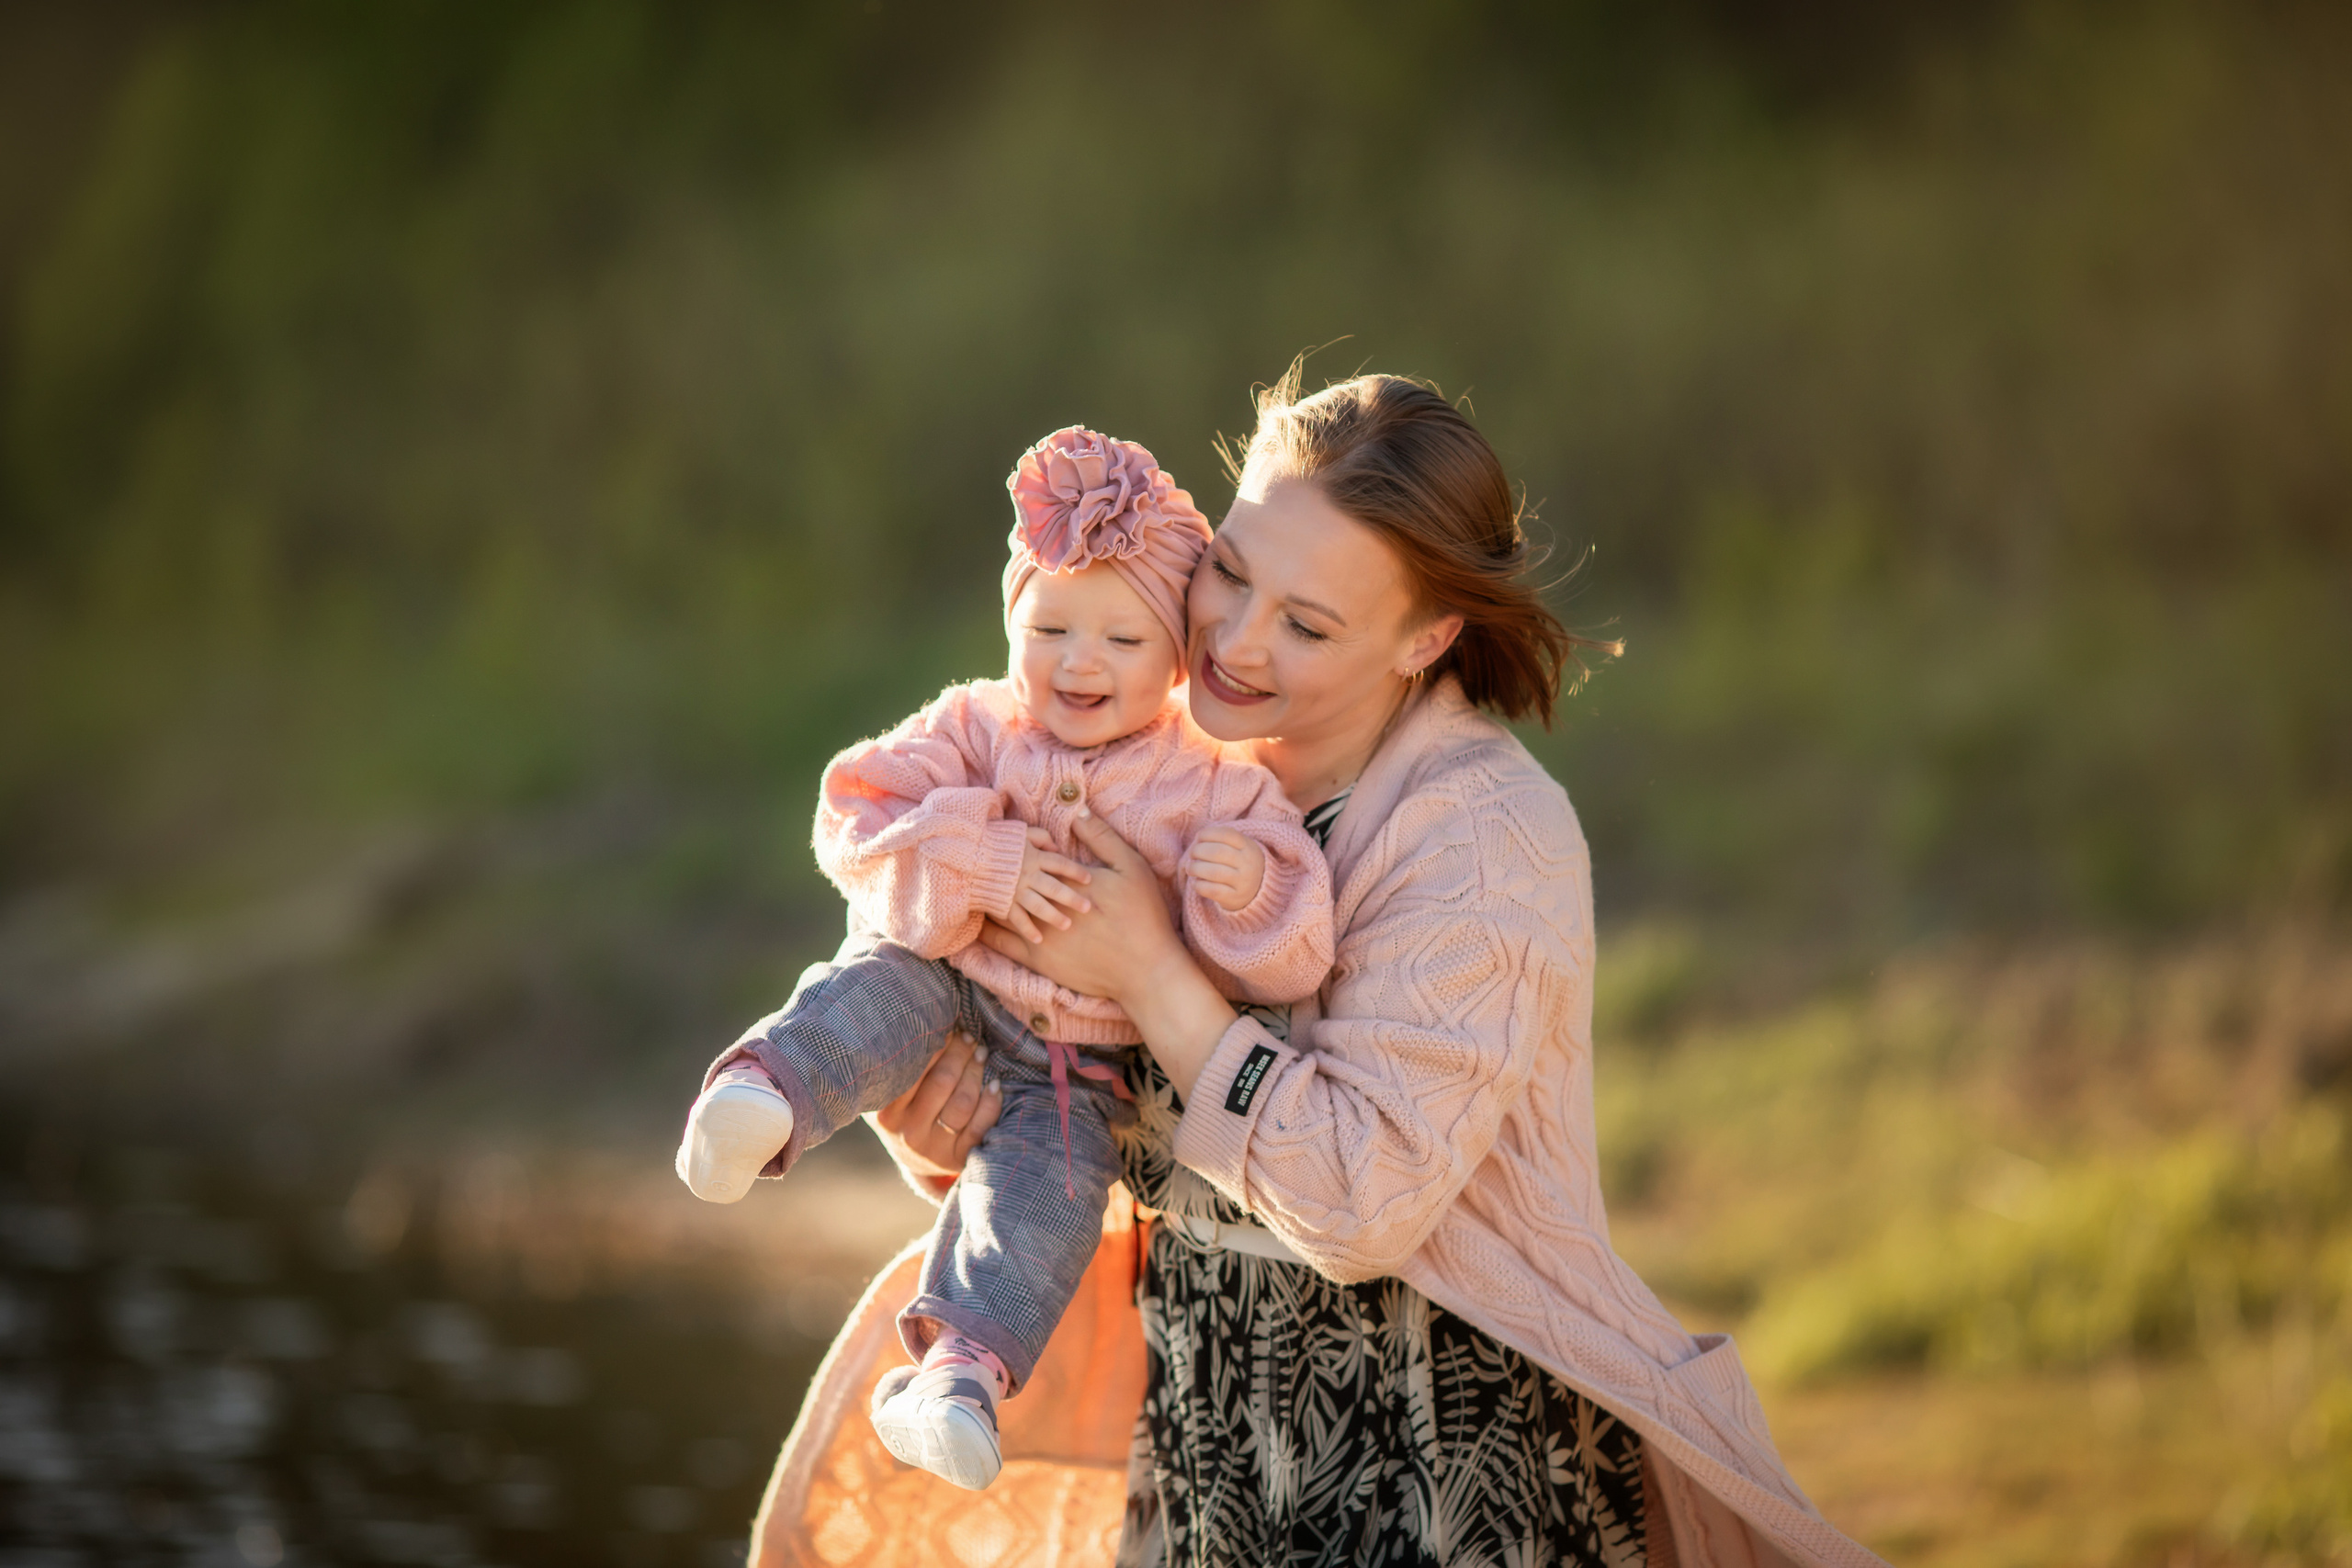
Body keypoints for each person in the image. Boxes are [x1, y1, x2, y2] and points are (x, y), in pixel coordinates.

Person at [819, 368, 1888, 1567]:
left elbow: (1359, 1201)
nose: (1233, 639)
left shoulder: (1484, 836)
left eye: (1307, 624)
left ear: (1425, 637)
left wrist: (1153, 970)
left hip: (1442, 1456)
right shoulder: (1166, 768)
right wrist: (951, 1117)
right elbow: (1092, 1087)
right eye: (1230, 571)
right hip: (1207, 1435)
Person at [674, 425, 1335, 1494]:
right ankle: (764, 1092)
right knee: (877, 989)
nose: (1080, 662)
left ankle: (958, 1376)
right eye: (1049, 628)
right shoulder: (977, 725)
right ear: (1009, 623)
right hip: (949, 978)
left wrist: (1249, 889)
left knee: (1052, 1193)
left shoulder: (1212, 779)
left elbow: (1299, 951)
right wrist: (979, 858)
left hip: (1069, 1066)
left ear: (1176, 654)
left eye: (1123, 639)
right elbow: (854, 814)